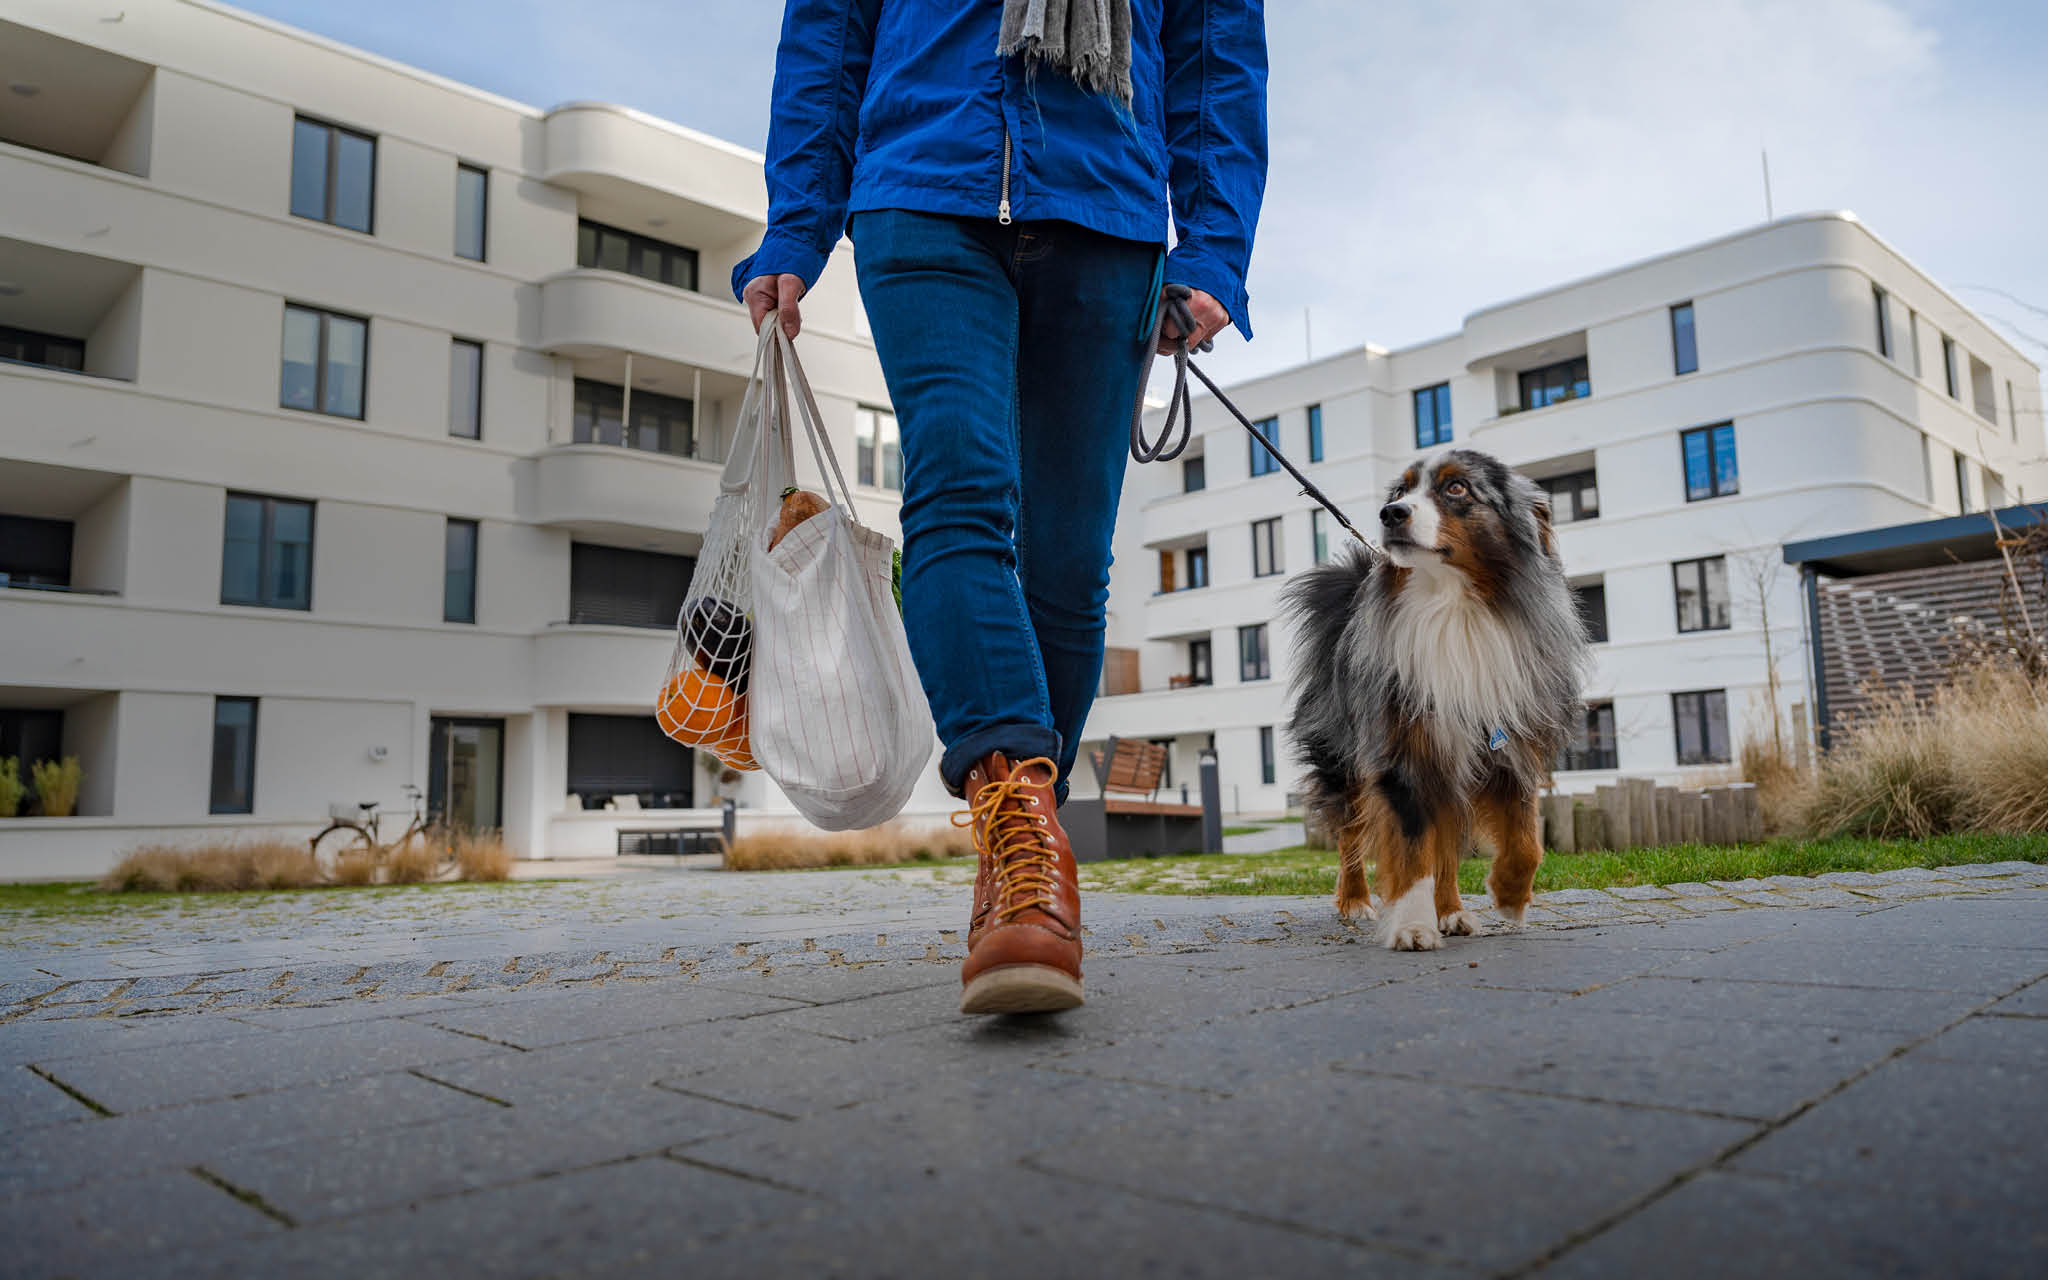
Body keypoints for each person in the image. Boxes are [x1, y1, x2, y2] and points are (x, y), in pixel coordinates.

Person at [737, 0, 1267, 1015]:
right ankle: (1021, 840)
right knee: (959, 493)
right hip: (922, 187)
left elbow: (1213, 52)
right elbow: (828, 31)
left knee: (1068, 561)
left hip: (1106, 206)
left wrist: (1211, 247)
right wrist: (795, 221)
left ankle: (1022, 847)